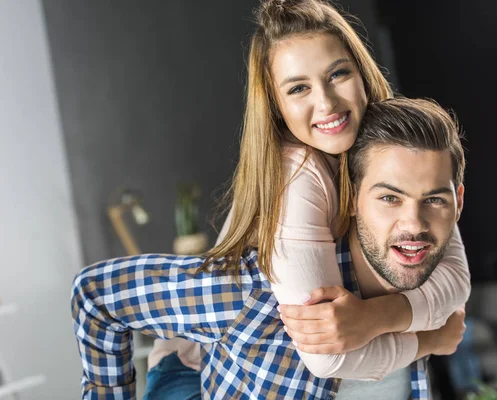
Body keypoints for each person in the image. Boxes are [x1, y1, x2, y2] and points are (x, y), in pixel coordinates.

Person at [144, 1, 470, 394]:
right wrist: (430, 338)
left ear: (361, 73)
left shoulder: (388, 147)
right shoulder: (297, 174)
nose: (327, 102)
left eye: (338, 74)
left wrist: (376, 317)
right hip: (195, 377)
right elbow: (327, 355)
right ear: (276, 105)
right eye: (299, 88)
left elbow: (454, 276)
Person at [72, 96, 468, 399]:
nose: (414, 225)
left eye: (435, 200)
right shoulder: (259, 286)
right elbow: (96, 296)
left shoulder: (428, 283)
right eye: (389, 198)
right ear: (351, 197)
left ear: (458, 203)